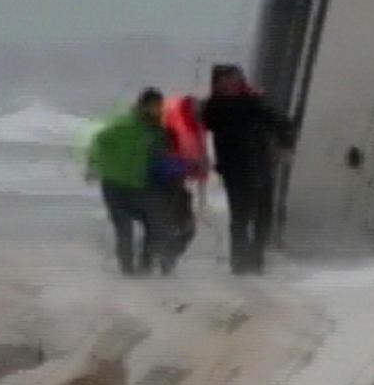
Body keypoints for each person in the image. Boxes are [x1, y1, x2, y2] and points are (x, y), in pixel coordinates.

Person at [200, 64, 294, 275]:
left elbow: (281, 122)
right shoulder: (227, 105)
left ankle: (252, 260)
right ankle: (242, 262)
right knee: (243, 217)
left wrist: (284, 144)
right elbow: (280, 122)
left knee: (259, 216)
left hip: (258, 165)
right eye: (227, 80)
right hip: (239, 169)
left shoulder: (247, 102)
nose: (232, 83)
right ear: (218, 83)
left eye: (235, 79)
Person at [85, 87, 184, 275]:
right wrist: (93, 165)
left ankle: (146, 264)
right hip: (115, 185)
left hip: (141, 187)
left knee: (153, 225)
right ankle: (128, 269)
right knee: (124, 230)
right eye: (154, 106)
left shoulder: (158, 132)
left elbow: (163, 159)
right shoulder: (124, 125)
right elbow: (99, 141)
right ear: (142, 105)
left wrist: (178, 171)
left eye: (159, 106)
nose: (157, 110)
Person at [160, 93, 210, 273]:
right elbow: (165, 159)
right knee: (178, 226)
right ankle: (161, 257)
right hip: (167, 186)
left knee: (185, 228)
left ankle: (164, 256)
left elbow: (199, 154)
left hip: (180, 186)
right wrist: (191, 168)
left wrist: (200, 171)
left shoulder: (197, 127)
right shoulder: (173, 125)